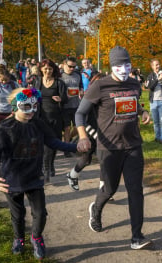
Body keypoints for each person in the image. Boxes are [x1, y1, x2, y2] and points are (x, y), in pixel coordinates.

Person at [0, 87, 78, 259]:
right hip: (11, 179)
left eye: (35, 106)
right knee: (17, 214)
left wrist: (75, 147)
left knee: (40, 213)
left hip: (34, 177)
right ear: (14, 106)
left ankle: (36, 237)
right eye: (26, 107)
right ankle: (19, 239)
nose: (31, 111)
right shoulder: (4, 128)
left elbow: (53, 141)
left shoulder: (38, 124)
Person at [75, 46, 152, 250]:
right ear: (111, 66)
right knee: (109, 188)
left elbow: (135, 104)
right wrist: (83, 137)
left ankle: (137, 237)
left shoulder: (135, 84)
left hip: (133, 145)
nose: (124, 68)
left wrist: (142, 111)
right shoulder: (100, 86)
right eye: (119, 65)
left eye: (127, 64)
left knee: (135, 190)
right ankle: (97, 208)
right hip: (109, 147)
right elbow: (80, 114)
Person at [66, 72, 105, 191]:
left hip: (103, 133)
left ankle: (103, 187)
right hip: (90, 133)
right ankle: (73, 175)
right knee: (91, 159)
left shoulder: (107, 97)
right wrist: (93, 135)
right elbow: (82, 120)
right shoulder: (89, 98)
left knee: (101, 160)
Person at [34, 59, 68, 182]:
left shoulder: (59, 83)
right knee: (43, 143)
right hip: (41, 117)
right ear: (41, 69)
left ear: (53, 70)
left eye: (50, 69)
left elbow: (65, 99)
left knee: (53, 142)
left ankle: (50, 164)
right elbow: (32, 97)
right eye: (45, 68)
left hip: (55, 117)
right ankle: (46, 168)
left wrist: (60, 99)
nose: (47, 71)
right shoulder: (37, 81)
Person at [61, 57, 83, 156]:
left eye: (74, 67)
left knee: (77, 127)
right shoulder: (60, 76)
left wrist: (81, 91)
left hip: (76, 104)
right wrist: (64, 96)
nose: (72, 69)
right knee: (66, 128)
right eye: (70, 66)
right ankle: (66, 149)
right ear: (64, 65)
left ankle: (70, 142)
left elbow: (81, 86)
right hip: (64, 106)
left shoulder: (78, 74)